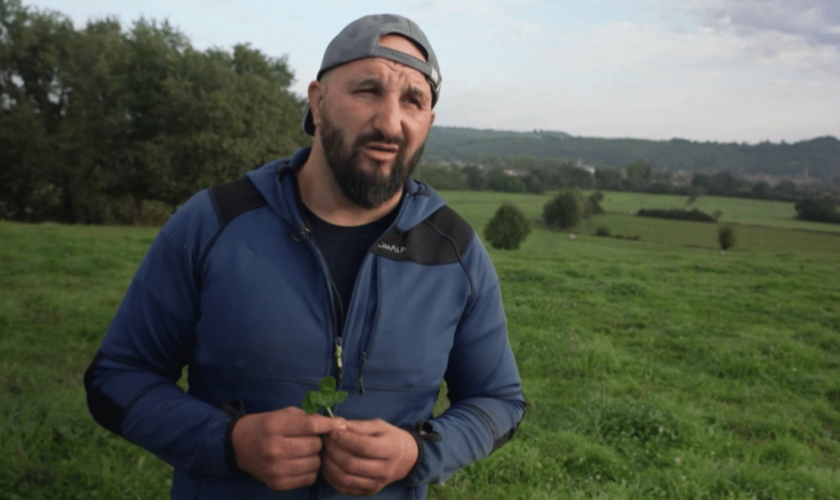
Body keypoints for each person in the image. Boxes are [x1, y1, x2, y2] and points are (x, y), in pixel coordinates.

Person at [84, 13, 524, 499]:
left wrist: (418, 453)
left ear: (428, 122)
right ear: (317, 103)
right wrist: (230, 442)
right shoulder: (213, 223)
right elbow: (116, 379)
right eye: (367, 91)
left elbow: (498, 400)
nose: (389, 123)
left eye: (413, 101)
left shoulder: (454, 250)